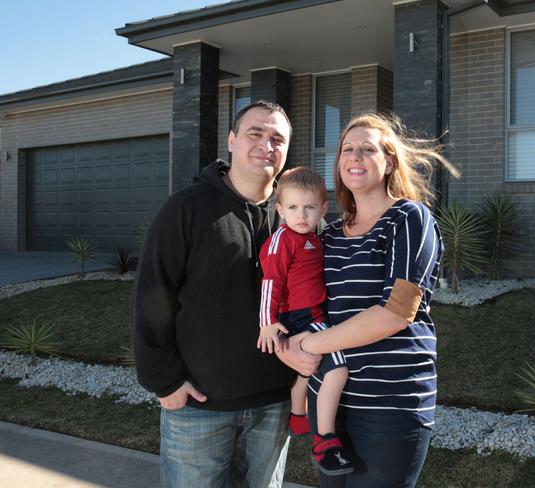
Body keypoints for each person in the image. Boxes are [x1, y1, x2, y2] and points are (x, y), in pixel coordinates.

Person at [132, 101, 321, 488]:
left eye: (277, 139)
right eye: (255, 133)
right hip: (200, 406)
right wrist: (163, 380)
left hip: (273, 403)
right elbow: (153, 294)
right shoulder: (186, 209)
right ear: (232, 140)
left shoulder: (295, 218)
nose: (266, 145)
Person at [297, 113, 458, 488]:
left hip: (389, 405)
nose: (355, 156)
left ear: (388, 162)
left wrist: (310, 344)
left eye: (368, 149)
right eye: (347, 150)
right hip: (329, 405)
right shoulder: (329, 234)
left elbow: (397, 312)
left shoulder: (409, 218)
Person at [257, 167, 352, 476]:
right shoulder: (282, 240)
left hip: (313, 312)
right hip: (298, 315)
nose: (301, 215)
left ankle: (298, 414)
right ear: (280, 209)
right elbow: (271, 281)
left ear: (322, 209)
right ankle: (324, 440)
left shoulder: (313, 237)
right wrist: (267, 323)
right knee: (337, 368)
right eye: (293, 208)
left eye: (309, 207)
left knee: (309, 365)